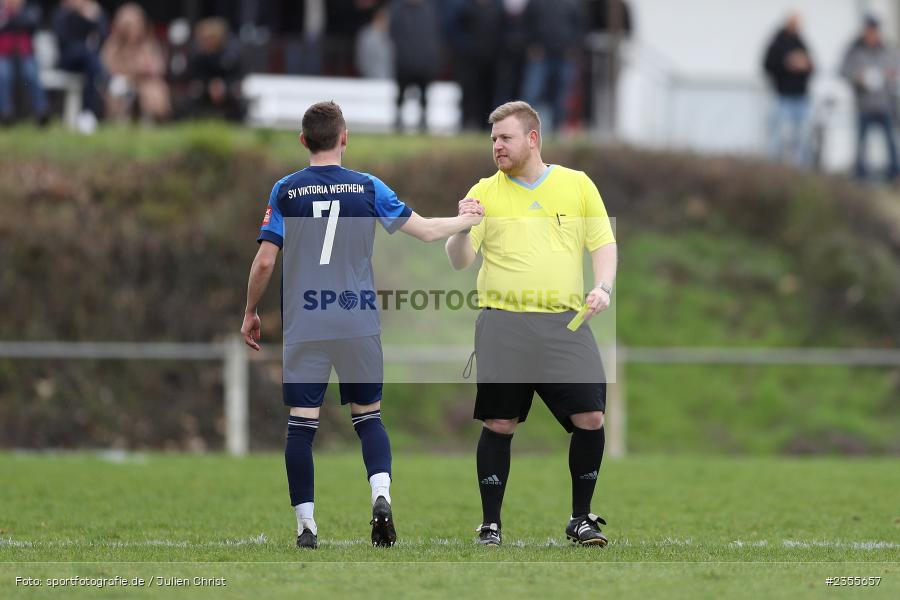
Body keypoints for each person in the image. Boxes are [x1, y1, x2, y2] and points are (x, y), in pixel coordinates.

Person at [240, 101, 482, 550]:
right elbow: (428, 231)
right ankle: (381, 496)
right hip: (357, 321)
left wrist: (251, 310)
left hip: (306, 324)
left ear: (303, 141)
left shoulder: (286, 190)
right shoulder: (367, 187)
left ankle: (306, 527)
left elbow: (265, 260)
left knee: (301, 427)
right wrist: (466, 220)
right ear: (344, 137)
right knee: (369, 419)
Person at [445, 100, 617, 547]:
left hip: (565, 323)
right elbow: (460, 261)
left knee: (592, 416)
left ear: (533, 139)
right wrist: (462, 228)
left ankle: (581, 519)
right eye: (493, 140)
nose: (497, 147)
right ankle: (490, 525)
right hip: (504, 325)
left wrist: (603, 287)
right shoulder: (485, 190)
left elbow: (603, 244)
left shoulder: (577, 185)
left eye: (505, 138)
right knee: (500, 424)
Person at [841, 15, 900, 181]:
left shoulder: (887, 50)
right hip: (864, 105)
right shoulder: (855, 50)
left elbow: (895, 67)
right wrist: (858, 78)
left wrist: (891, 75)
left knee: (890, 142)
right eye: (869, 31)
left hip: (884, 104)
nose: (872, 34)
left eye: (875, 31)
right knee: (861, 142)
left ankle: (894, 173)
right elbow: (844, 70)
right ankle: (860, 173)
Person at [101, 3, 171, 122]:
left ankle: (153, 120)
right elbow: (105, 68)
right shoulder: (113, 45)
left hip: (144, 82)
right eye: (129, 26)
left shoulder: (148, 44)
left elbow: (158, 67)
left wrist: (148, 69)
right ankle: (118, 121)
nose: (134, 29)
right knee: (118, 88)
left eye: (137, 25)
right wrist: (131, 72)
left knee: (154, 88)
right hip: (123, 81)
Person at [521, 0, 583, 133]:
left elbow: (580, 25)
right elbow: (525, 24)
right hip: (541, 55)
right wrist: (532, 46)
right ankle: (525, 129)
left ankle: (557, 129)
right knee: (532, 93)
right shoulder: (535, 3)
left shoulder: (573, 3)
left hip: (564, 55)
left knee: (562, 96)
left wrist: (574, 47)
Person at [763, 12, 814, 167]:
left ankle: (801, 169)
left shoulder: (801, 43)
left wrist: (805, 65)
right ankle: (773, 168)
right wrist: (787, 63)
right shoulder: (776, 43)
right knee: (777, 135)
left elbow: (812, 66)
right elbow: (768, 65)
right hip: (782, 96)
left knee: (802, 136)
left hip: (801, 97)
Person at [52, 0, 108, 132]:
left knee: (90, 69)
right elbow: (62, 40)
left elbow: (103, 38)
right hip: (67, 61)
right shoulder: (62, 13)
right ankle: (108, 79)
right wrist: (74, 14)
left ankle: (87, 114)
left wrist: (93, 19)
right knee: (83, 51)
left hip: (87, 64)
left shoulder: (92, 13)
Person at [389, 0, 441, 132]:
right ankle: (398, 119)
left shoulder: (429, 11)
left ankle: (423, 120)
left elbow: (433, 36)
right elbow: (393, 35)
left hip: (424, 63)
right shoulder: (398, 10)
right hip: (404, 62)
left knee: (424, 95)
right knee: (401, 93)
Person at [183, 17, 245, 122]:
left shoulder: (231, 53)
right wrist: (208, 85)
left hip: (226, 89)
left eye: (209, 39)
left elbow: (237, 75)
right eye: (203, 39)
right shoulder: (197, 55)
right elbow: (193, 75)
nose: (206, 42)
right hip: (205, 88)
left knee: (237, 94)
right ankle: (192, 120)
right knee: (194, 92)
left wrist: (223, 85)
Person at [0, 0, 48, 125]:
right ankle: (5, 112)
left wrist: (11, 20)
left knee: (31, 73)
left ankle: (41, 111)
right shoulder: (3, 9)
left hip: (25, 53)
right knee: (3, 74)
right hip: (3, 54)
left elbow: (32, 24)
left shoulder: (30, 7)